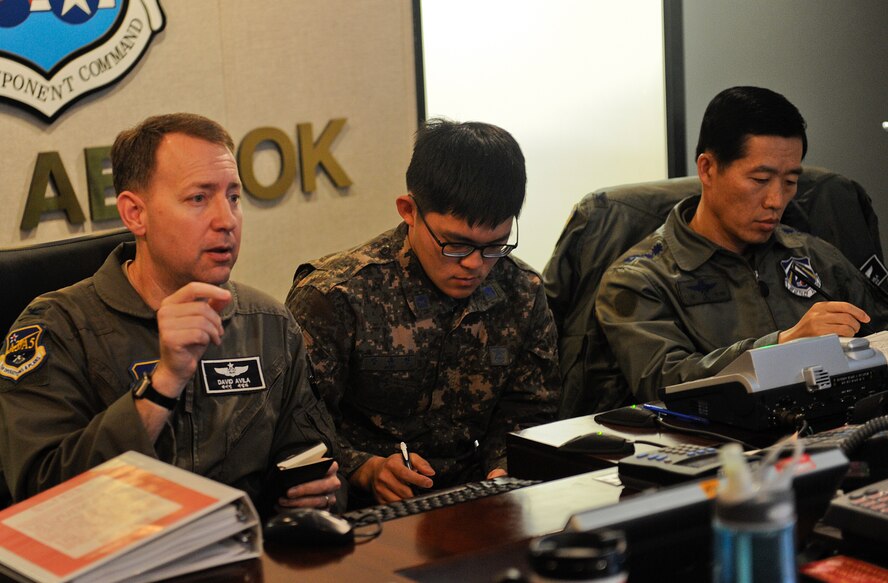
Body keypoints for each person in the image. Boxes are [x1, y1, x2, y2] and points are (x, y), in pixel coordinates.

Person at [0, 113, 343, 515]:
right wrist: (165, 381)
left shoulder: (267, 324)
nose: (226, 220)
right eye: (199, 198)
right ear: (135, 214)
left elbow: (315, 461)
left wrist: (317, 493)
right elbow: (42, 496)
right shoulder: (55, 329)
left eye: (233, 197)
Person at [286, 119, 561, 504]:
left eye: (496, 245)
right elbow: (296, 425)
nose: (475, 265)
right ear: (409, 211)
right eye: (456, 245)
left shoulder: (522, 291)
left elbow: (529, 408)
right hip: (368, 506)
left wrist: (504, 467)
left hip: (482, 500)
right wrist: (364, 467)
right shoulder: (337, 295)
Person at [595, 86, 888, 403]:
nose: (776, 200)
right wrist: (782, 345)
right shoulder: (639, 279)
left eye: (790, 182)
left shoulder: (813, 255)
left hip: (834, 436)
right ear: (708, 169)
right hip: (719, 447)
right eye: (760, 180)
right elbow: (664, 382)